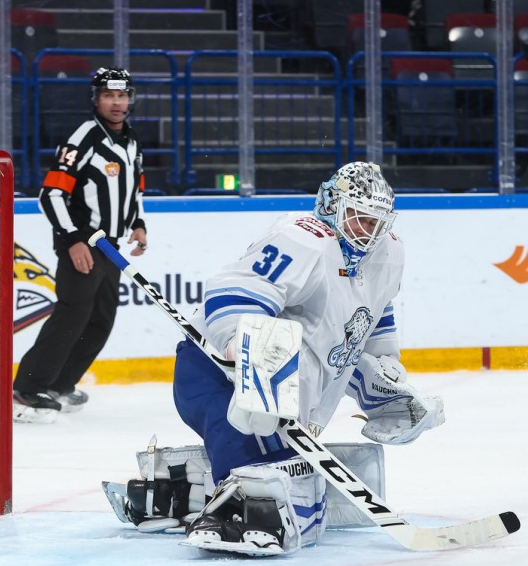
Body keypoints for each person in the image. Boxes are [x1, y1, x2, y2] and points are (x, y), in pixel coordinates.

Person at [106, 162, 444, 556]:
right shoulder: (304, 238)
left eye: (376, 221)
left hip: (285, 393)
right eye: (358, 218)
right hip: (216, 374)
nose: (367, 231)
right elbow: (239, 288)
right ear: (333, 205)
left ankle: (175, 488)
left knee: (293, 483)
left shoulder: (389, 252)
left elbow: (370, 318)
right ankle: (227, 512)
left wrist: (383, 376)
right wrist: (236, 340)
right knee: (269, 490)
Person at [12, 67, 148, 423]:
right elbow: (51, 194)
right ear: (96, 99)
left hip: (111, 245)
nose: (117, 103)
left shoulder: (131, 141)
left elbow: (135, 189)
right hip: (83, 241)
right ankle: (27, 389)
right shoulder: (83, 137)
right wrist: (73, 240)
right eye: (109, 96)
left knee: (100, 319)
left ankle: (59, 384)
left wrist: (138, 223)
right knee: (72, 313)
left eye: (122, 95)